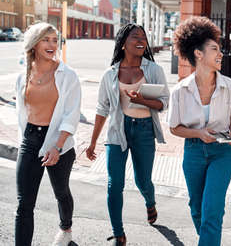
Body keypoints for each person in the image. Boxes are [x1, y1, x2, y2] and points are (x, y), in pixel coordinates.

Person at [86, 24, 169, 246]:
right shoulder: (110, 74)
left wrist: (142, 100)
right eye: (135, 37)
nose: (141, 40)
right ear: (123, 42)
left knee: (143, 181)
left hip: (144, 131)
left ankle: (150, 202)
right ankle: (118, 234)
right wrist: (93, 142)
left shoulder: (153, 70)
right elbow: (102, 109)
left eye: (144, 37)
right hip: (117, 131)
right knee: (114, 184)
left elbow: (163, 104)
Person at [168, 16, 231, 246]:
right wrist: (199, 134)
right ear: (198, 54)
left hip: (222, 154)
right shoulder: (180, 90)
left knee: (213, 209)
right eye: (214, 49)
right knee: (197, 207)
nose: (220, 53)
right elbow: (175, 128)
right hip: (193, 152)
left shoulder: (230, 86)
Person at [15, 22, 81, 246]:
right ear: (34, 43)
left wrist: (58, 146)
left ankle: (66, 229)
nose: (52, 44)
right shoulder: (23, 74)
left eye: (55, 40)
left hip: (59, 141)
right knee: (24, 203)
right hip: (30, 139)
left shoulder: (67, 75)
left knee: (61, 191)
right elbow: (23, 112)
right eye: (46, 39)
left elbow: (71, 114)